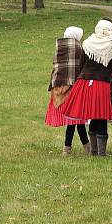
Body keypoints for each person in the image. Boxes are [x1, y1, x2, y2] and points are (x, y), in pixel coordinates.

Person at [60, 17, 112, 156]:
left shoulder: (87, 43)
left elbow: (81, 64)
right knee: (102, 117)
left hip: (86, 83)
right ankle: (101, 152)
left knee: (94, 115)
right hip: (103, 84)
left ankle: (93, 150)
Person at [45, 27, 89, 155]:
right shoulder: (78, 49)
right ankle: (68, 147)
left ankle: (85, 146)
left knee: (75, 119)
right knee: (74, 118)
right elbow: (81, 67)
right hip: (72, 86)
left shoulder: (59, 48)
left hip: (58, 86)